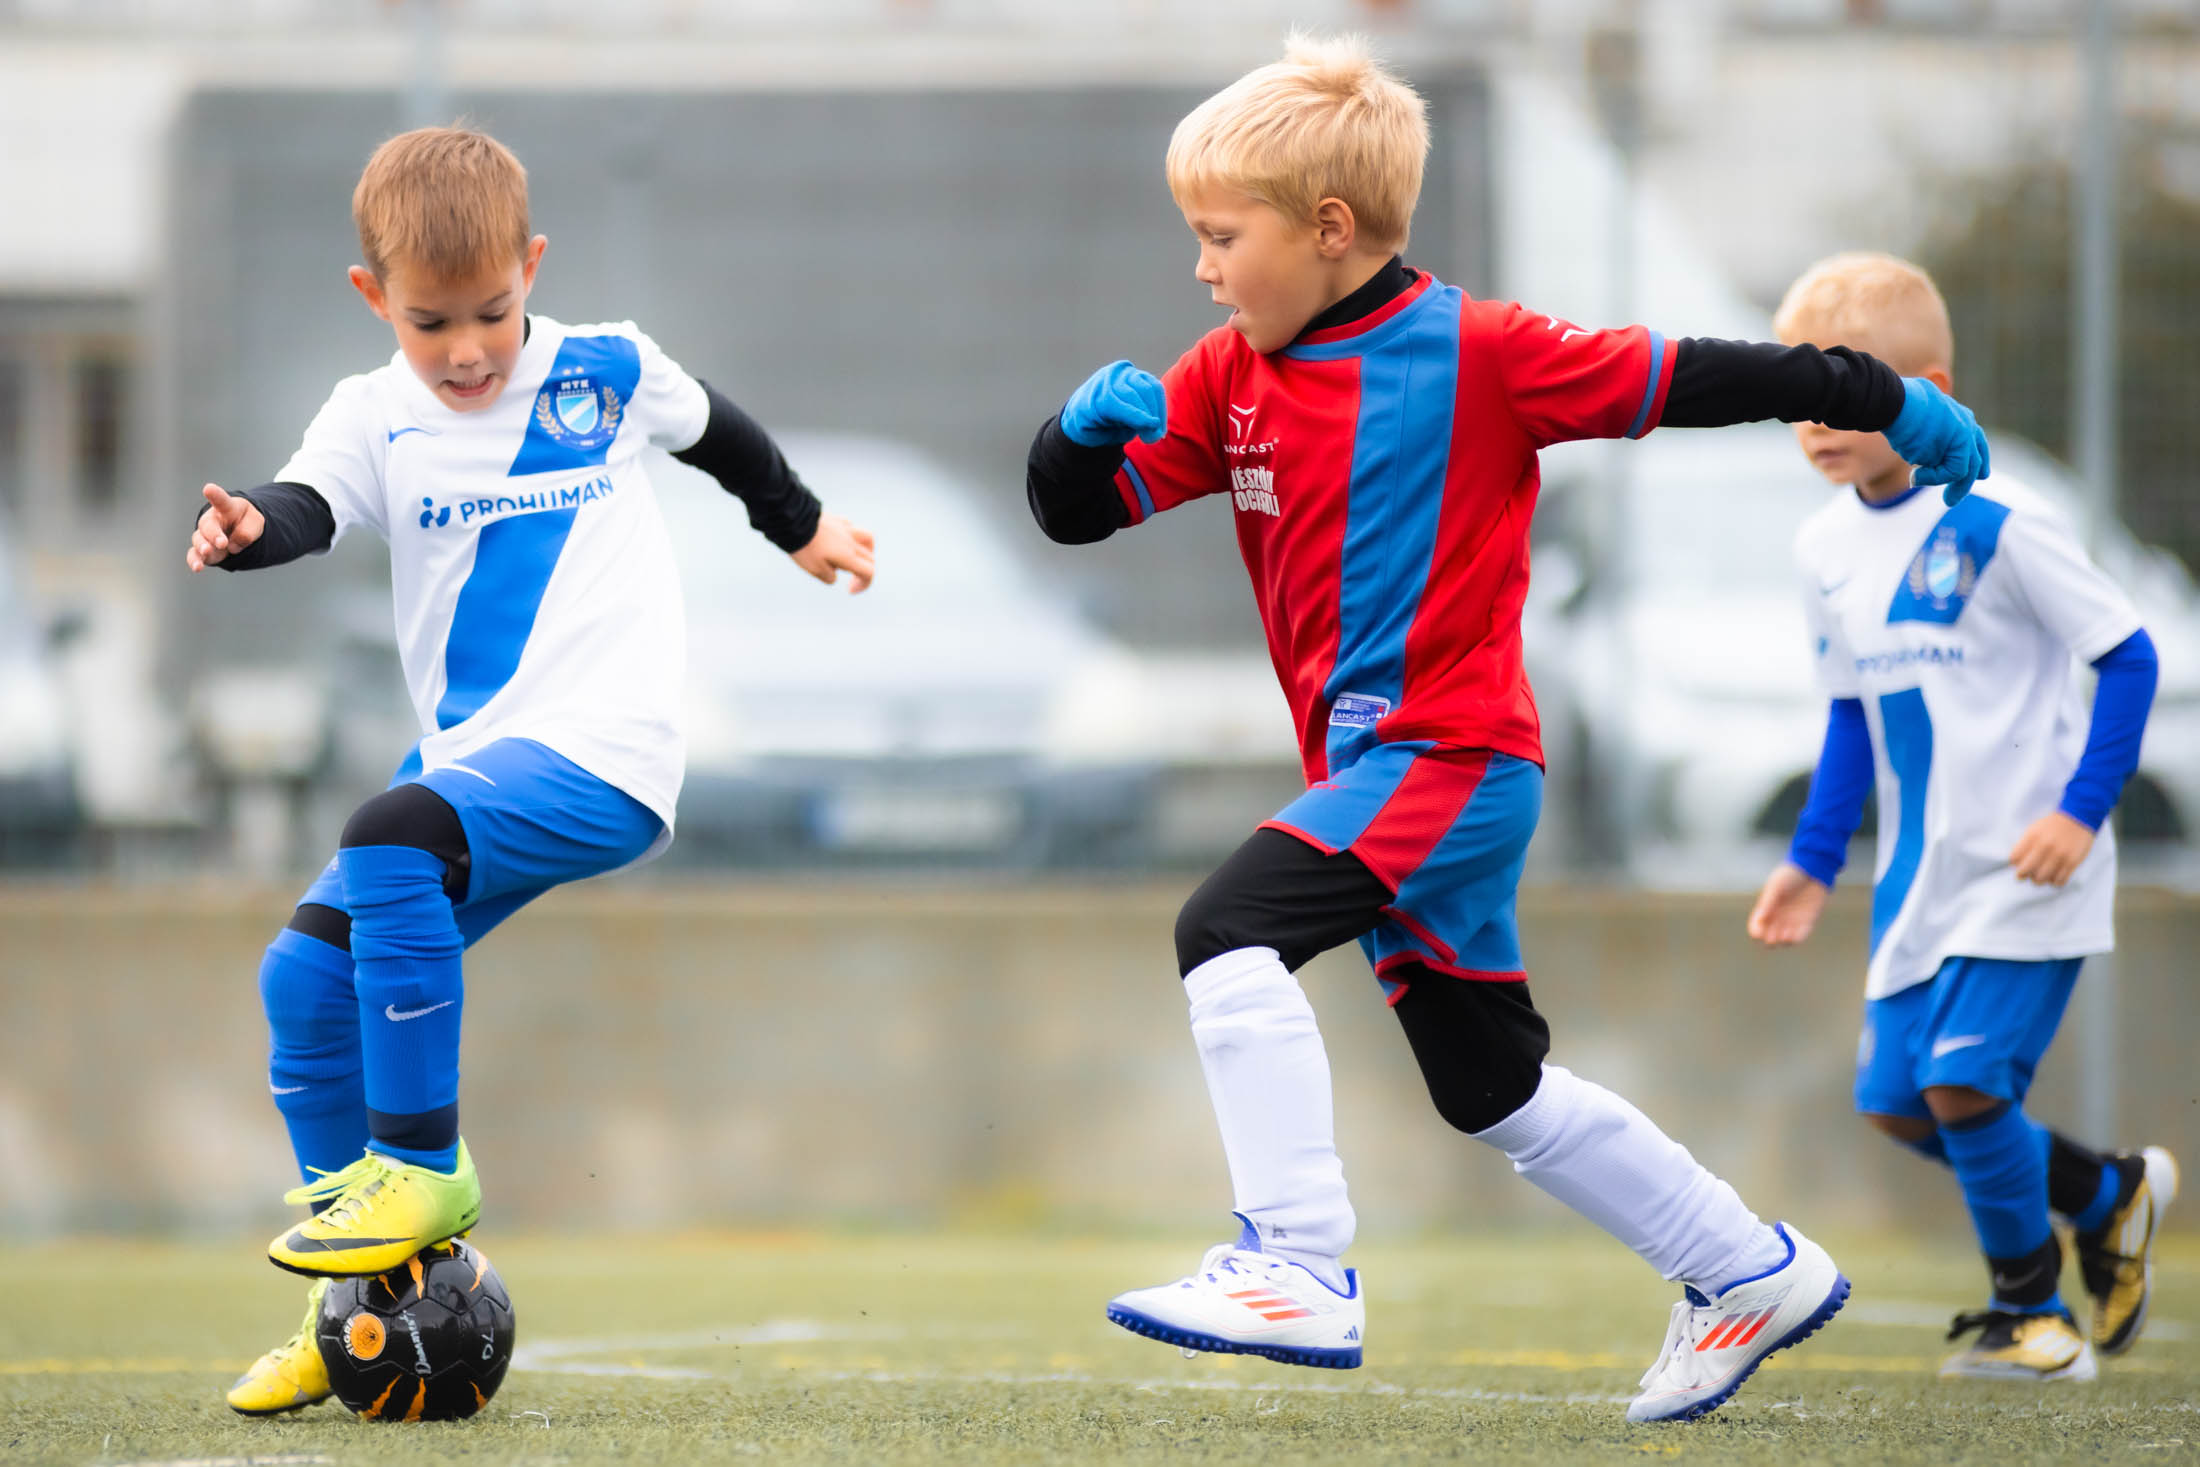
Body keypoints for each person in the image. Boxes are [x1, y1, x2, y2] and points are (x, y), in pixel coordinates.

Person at [1025, 34, 1993, 1424]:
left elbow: (1694, 374)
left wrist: (1877, 394)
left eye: (1220, 236)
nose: (1203, 268)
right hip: (1384, 776)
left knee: (1225, 930)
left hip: (1452, 754)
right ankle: (1742, 1266)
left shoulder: (1481, 352)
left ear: (1330, 230)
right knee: (1491, 1085)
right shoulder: (1230, 370)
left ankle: (1294, 1261)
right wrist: (1072, 434)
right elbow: (1077, 508)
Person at [194, 125, 875, 1415]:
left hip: (605, 754)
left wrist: (806, 527)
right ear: (372, 298)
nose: (464, 350)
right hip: (477, 765)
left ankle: (421, 1169)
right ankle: (355, 1307)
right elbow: (307, 505)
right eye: (429, 321)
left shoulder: (602, 369)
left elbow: (718, 434)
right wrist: (244, 532)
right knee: (302, 979)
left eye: (492, 314)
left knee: (388, 831)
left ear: (533, 267)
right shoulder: (372, 414)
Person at [1747, 251, 2175, 1383]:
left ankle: (2028, 1319)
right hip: (1916, 881)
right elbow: (1850, 720)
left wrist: (2082, 815)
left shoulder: (2000, 515)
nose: (1818, 421)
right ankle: (2106, 1192)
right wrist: (1809, 860)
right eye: (1802, 397)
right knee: (1894, 1104)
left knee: (1965, 1083)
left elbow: (2127, 658)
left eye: (1847, 392)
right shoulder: (1821, 547)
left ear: (1926, 386)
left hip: (2031, 865)